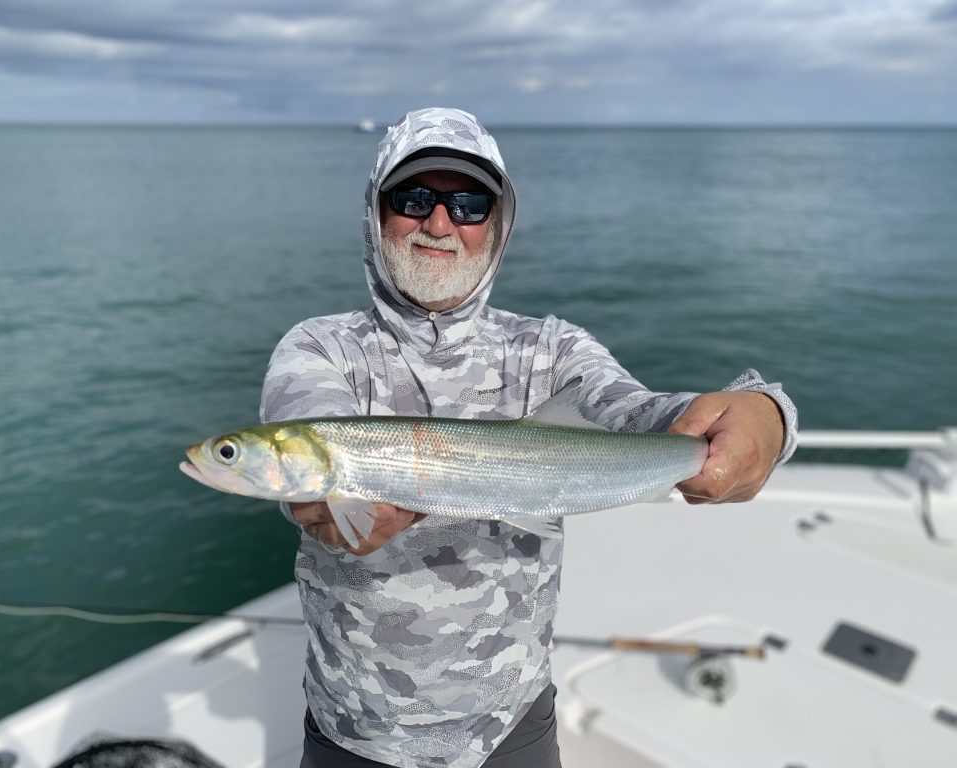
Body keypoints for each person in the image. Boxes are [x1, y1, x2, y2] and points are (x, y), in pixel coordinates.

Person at [260, 107, 798, 768]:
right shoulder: (319, 348)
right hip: (356, 735)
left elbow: (644, 413)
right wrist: (320, 505)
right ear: (375, 211)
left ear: (499, 224)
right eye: (413, 198)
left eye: (468, 203)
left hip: (513, 728)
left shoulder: (550, 350)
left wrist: (766, 415)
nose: (438, 223)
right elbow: (311, 460)